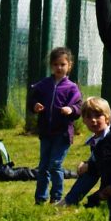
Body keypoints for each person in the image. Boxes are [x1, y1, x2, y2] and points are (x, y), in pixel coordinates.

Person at [28, 47, 82, 204]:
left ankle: (56, 197)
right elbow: (32, 100)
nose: (59, 68)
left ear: (69, 66)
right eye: (56, 64)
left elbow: (79, 107)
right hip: (46, 132)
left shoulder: (71, 88)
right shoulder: (43, 85)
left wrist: (70, 109)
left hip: (63, 133)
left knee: (55, 164)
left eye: (62, 64)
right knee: (43, 166)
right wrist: (35, 105)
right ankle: (40, 198)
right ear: (51, 66)